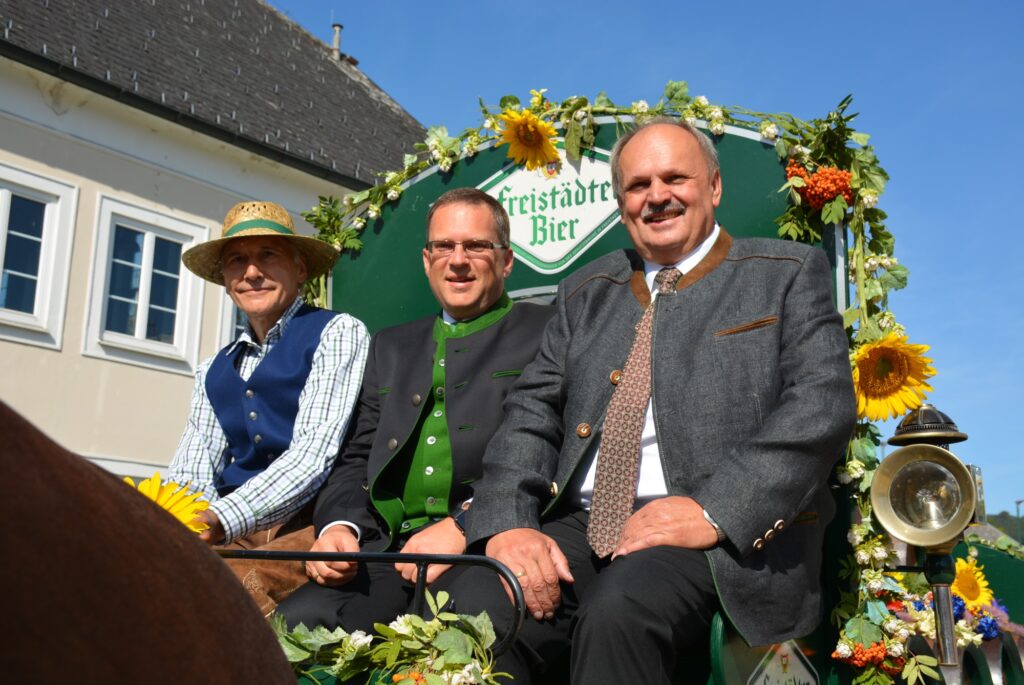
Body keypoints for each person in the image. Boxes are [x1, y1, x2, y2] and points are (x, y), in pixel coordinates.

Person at [448, 118, 857, 684]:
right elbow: (530, 416)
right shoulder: (586, 292)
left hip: (713, 539)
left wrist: (715, 509)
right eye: (638, 185)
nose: (657, 196)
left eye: (674, 178)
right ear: (620, 203)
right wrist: (509, 524)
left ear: (713, 187)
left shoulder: (784, 275)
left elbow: (821, 406)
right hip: (581, 524)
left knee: (620, 611)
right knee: (471, 610)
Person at [276, 188, 554, 631]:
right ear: (427, 260)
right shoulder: (390, 345)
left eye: (476, 246)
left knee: (449, 643)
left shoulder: (547, 332)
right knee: (294, 627)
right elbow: (354, 458)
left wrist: (466, 523)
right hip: (386, 551)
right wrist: (339, 527)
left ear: (506, 261)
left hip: (489, 544)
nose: (457, 260)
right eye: (443, 246)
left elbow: (555, 453)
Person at [168, 200, 369, 613]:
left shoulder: (337, 332)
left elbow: (314, 456)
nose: (252, 272)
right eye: (237, 260)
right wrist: (182, 520)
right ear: (225, 280)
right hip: (233, 528)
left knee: (225, 592)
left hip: (312, 521)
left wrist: (220, 519)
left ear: (299, 270)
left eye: (268, 256)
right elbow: (192, 468)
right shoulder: (213, 368)